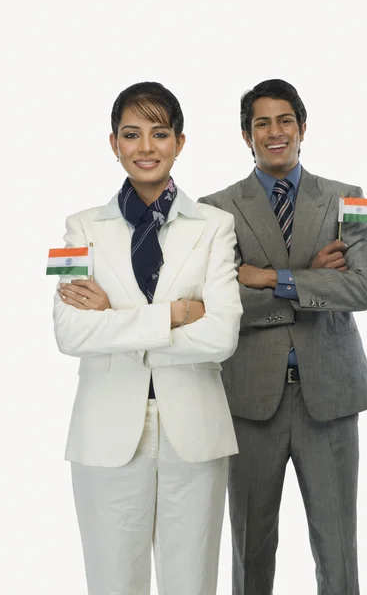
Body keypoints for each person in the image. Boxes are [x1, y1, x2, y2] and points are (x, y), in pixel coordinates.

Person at [53, 81, 242, 595]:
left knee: (192, 584)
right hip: (106, 432)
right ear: (114, 143)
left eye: (159, 134)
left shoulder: (215, 226)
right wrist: (176, 314)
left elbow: (222, 334)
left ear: (180, 142)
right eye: (131, 134)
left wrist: (114, 318)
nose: (146, 147)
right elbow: (71, 332)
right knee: (113, 583)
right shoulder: (80, 229)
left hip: (195, 433)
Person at [198, 78, 367, 595]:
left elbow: (361, 288)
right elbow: (221, 306)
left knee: (337, 548)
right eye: (261, 123)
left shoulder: (349, 198)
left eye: (284, 121)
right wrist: (312, 275)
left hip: (332, 395)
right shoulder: (214, 211)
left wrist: (269, 276)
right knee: (250, 551)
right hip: (250, 399)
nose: (274, 132)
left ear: (302, 128)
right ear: (245, 135)